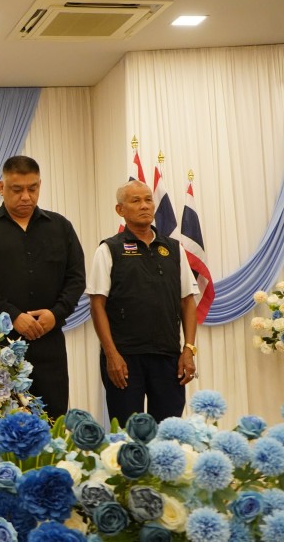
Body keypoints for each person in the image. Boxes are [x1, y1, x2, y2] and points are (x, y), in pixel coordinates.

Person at [0, 155, 85, 420]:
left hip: (49, 341)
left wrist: (56, 314)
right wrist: (13, 316)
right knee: (2, 420)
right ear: (2, 188)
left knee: (53, 420)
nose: (26, 196)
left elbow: (76, 278)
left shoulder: (60, 227)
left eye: (32, 188)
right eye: (17, 189)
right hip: (1, 343)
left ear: (39, 185)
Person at [87, 180, 198, 425]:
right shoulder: (109, 249)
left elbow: (188, 301)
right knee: (128, 435)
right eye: (136, 201)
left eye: (148, 200)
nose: (144, 205)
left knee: (169, 433)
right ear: (120, 210)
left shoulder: (174, 249)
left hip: (168, 356)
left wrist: (189, 349)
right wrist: (111, 355)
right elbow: (97, 305)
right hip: (124, 359)